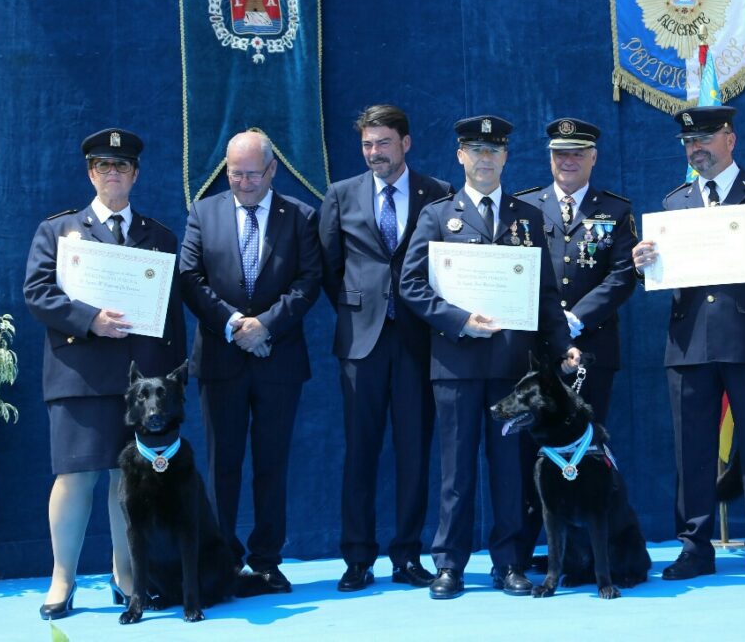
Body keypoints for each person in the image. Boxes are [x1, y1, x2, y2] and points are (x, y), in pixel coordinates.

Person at [632, 105, 745, 583]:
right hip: (689, 343)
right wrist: (644, 262)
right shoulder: (674, 203)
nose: (697, 150)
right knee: (691, 451)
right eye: (689, 144)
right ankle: (695, 546)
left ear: (730, 140)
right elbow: (665, 274)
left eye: (706, 140)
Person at [400, 115, 581, 600]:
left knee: (509, 472)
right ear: (460, 156)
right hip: (456, 367)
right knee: (456, 472)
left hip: (510, 371)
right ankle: (450, 566)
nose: (484, 159)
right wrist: (459, 320)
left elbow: (544, 294)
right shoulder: (438, 216)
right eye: (475, 151)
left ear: (505, 157)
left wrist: (563, 345)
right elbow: (411, 286)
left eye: (493, 151)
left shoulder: (529, 216)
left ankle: (510, 563)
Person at [24, 128, 186, 620]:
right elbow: (38, 294)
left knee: (128, 479)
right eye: (102, 166)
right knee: (74, 477)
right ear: (90, 173)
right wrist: (89, 319)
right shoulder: (58, 231)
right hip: (80, 376)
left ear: (135, 174)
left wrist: (170, 383)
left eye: (121, 167)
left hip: (141, 390)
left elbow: (170, 317)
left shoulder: (159, 236)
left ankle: (126, 574)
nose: (111, 173)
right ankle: (62, 579)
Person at [179, 128, 322, 595]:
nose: (243, 183)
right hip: (221, 362)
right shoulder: (203, 212)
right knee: (223, 466)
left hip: (279, 362)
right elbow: (190, 277)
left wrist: (267, 327)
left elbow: (308, 281)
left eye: (252, 174)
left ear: (272, 170)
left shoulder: (300, 216)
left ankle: (266, 561)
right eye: (235, 174)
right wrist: (236, 325)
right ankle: (223, 563)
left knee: (271, 465)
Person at [318, 105, 452, 592]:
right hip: (362, 341)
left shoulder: (437, 193)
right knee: (360, 451)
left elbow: (445, 266)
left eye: (384, 143)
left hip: (419, 340)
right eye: (368, 145)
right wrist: (359, 305)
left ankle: (408, 555)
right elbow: (330, 267)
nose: (374, 153)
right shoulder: (340, 195)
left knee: (414, 452)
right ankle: (357, 558)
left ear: (406, 143)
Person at [513, 117, 638, 567]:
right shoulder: (524, 207)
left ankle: (591, 557)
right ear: (549, 158)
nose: (568, 161)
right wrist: (552, 326)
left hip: (592, 351)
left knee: (587, 456)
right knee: (531, 457)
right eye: (559, 154)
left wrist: (574, 319)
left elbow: (624, 276)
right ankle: (528, 552)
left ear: (593, 157)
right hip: (539, 356)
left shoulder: (617, 210)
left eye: (577, 153)